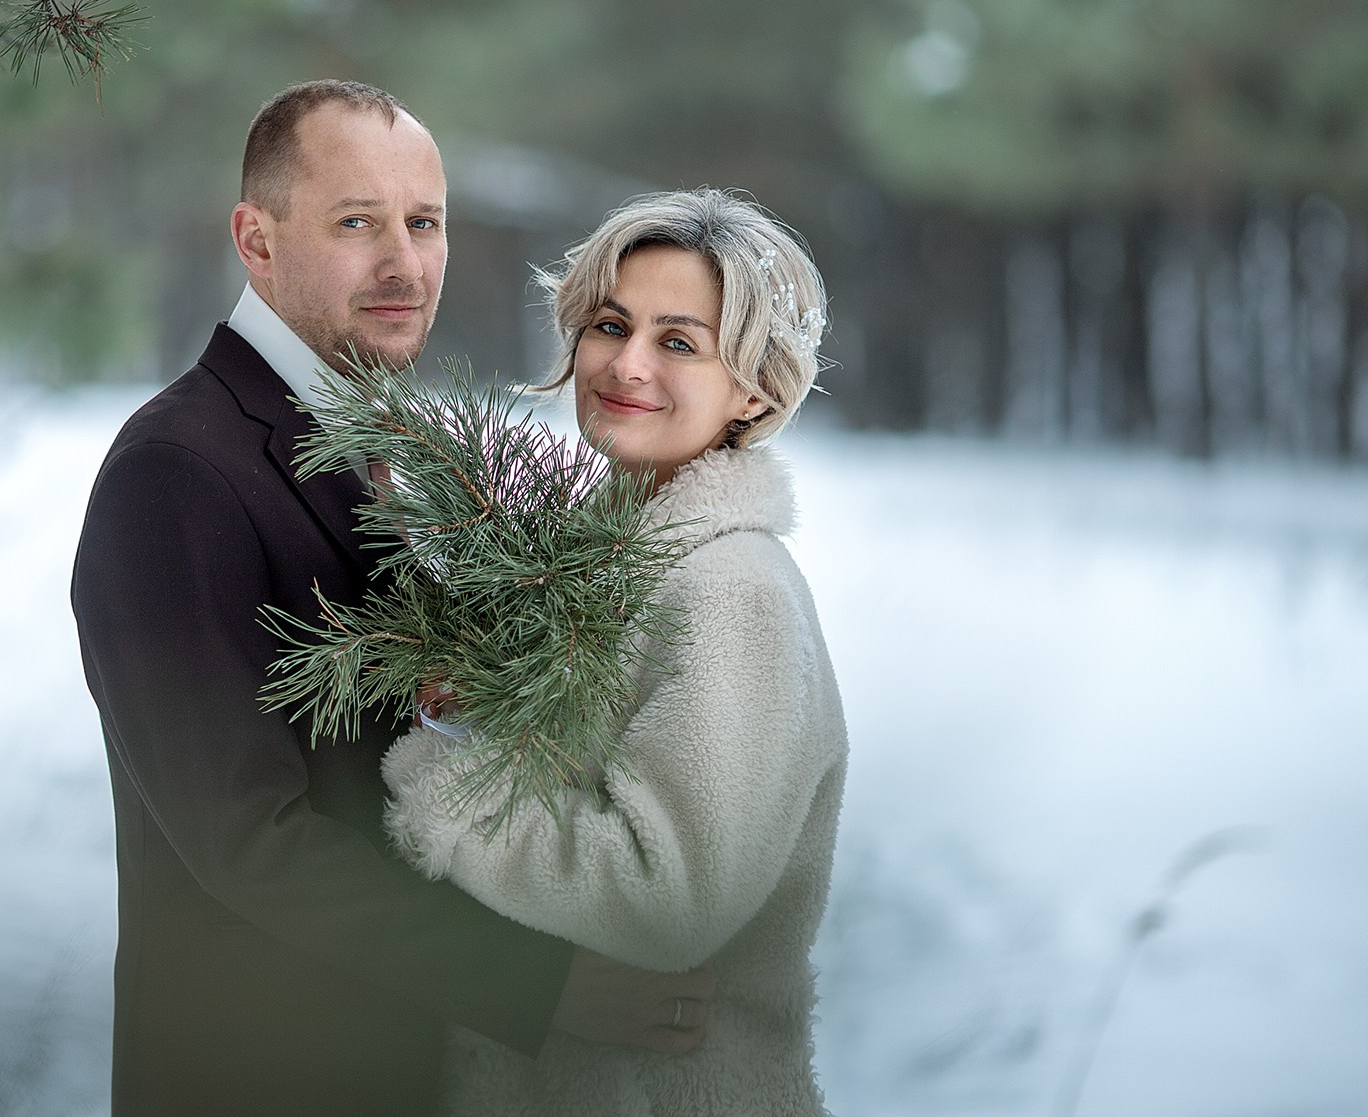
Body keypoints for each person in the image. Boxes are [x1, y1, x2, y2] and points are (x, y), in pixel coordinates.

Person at [69, 81, 713, 1117]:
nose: (403, 264)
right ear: (255, 237)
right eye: (356, 221)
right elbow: (251, 839)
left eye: (424, 222)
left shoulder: (390, 456)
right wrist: (541, 981)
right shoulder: (176, 471)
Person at [382, 188, 847, 1117]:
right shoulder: (600, 567)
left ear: (754, 388)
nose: (626, 364)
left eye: (678, 341)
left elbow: (663, 897)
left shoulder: (731, 592)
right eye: (609, 324)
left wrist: (434, 773)